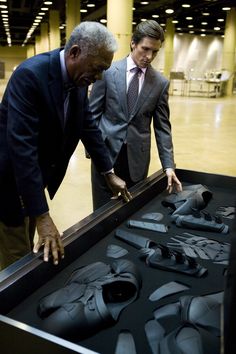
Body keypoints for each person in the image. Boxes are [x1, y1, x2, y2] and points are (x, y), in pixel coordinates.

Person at [0, 21, 132, 270]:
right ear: (74, 53)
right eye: (97, 68)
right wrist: (43, 215)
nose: (99, 76)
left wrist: (108, 172)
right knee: (16, 262)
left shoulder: (78, 80)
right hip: (10, 182)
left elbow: (87, 125)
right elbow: (22, 148)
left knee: (26, 248)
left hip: (32, 182)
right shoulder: (30, 76)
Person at [89, 20, 182, 210]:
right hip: (106, 156)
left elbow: (163, 127)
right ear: (133, 43)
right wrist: (93, 150)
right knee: (100, 212)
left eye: (155, 52)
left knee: (130, 211)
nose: (149, 56)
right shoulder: (107, 71)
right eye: (145, 49)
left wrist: (169, 166)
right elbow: (92, 114)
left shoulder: (160, 83)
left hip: (137, 161)